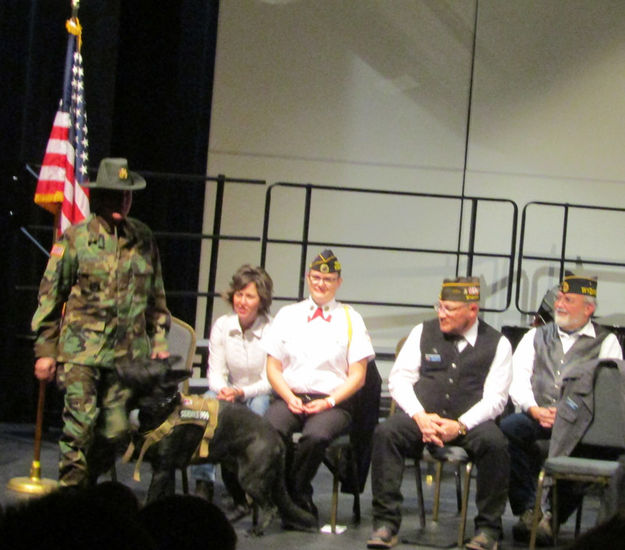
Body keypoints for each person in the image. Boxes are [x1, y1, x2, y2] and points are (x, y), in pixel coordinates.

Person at [31, 157, 171, 487]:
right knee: (79, 428)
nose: (122, 201)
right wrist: (45, 350)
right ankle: (71, 502)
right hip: (82, 353)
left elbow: (157, 298)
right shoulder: (76, 239)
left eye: (127, 195)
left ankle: (88, 491)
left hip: (127, 355)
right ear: (100, 198)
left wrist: (160, 341)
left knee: (116, 432)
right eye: (114, 195)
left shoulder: (143, 238)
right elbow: (51, 297)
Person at [368, 276, 513, 550]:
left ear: (472, 310)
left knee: (496, 444)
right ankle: (385, 524)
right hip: (424, 418)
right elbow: (399, 380)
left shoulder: (498, 343)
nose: (441, 313)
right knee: (386, 433)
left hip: (470, 423)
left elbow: (496, 399)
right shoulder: (423, 332)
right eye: (440, 306)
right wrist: (420, 416)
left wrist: (459, 426)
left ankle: (487, 531)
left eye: (449, 309)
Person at [500, 271, 622, 544]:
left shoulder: (607, 342)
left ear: (588, 308)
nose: (559, 305)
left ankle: (552, 518)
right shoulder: (536, 336)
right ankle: (529, 509)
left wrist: (571, 415)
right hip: (539, 415)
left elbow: (608, 392)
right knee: (508, 429)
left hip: (580, 425)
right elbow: (517, 379)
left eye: (568, 300)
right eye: (559, 298)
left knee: (592, 451)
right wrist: (532, 409)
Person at [262, 249, 375, 519]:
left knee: (316, 437)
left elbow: (358, 376)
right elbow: (272, 367)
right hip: (291, 397)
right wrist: (288, 397)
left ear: (338, 282)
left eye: (328, 279)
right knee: (271, 429)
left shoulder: (351, 318)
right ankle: (291, 497)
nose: (320, 284)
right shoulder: (288, 315)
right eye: (315, 277)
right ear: (307, 277)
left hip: (333, 402)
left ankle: (294, 492)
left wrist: (330, 400)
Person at [191, 264, 274, 506]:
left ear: (261, 300)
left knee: (259, 408)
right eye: (239, 294)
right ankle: (203, 481)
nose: (242, 301)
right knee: (205, 405)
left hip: (257, 392)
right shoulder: (222, 325)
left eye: (249, 296)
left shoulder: (272, 328)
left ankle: (250, 483)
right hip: (228, 390)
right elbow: (215, 373)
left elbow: (269, 380)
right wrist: (224, 390)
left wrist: (242, 392)